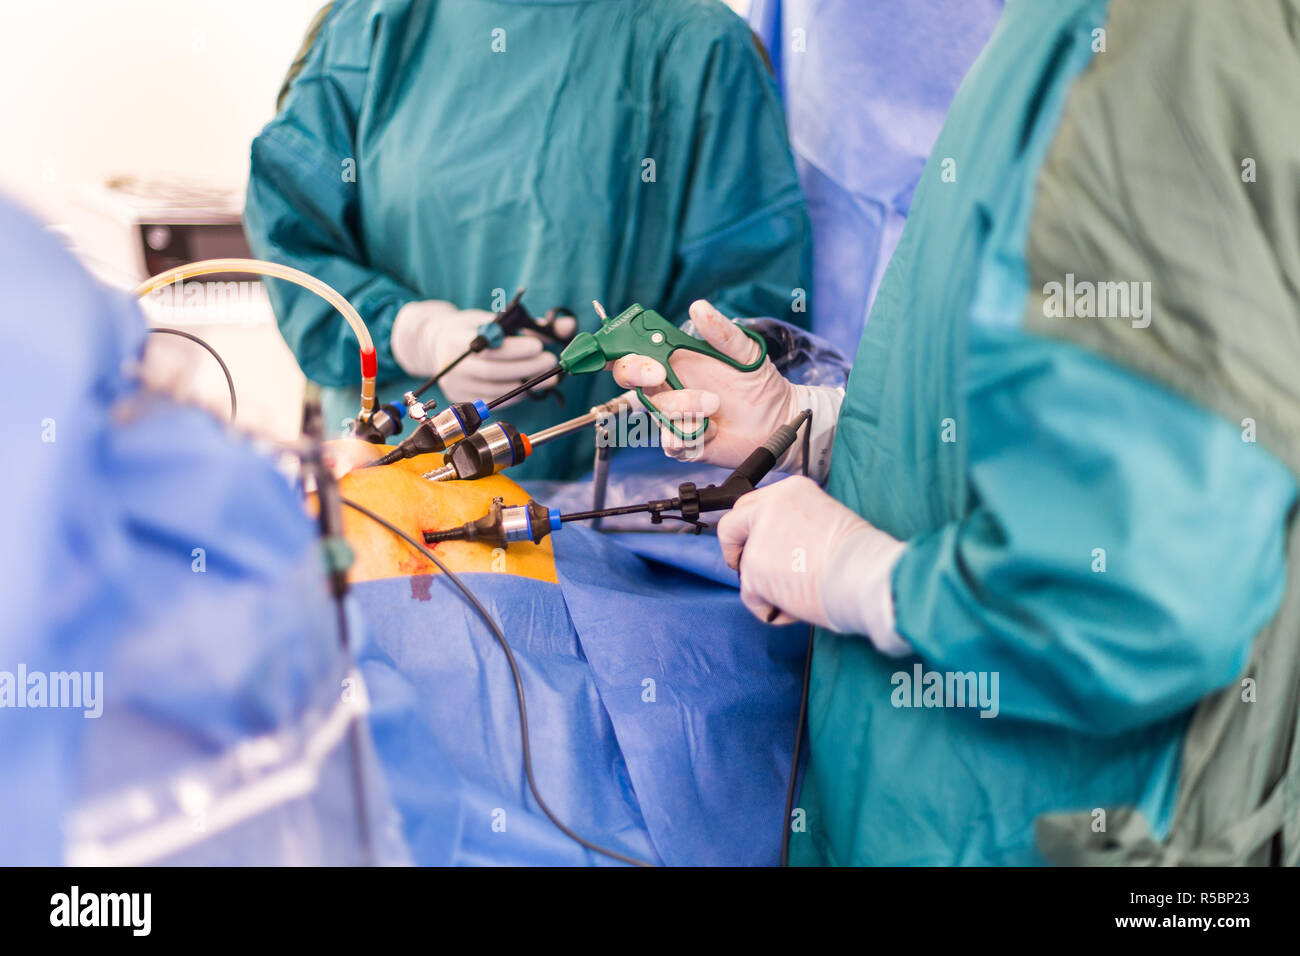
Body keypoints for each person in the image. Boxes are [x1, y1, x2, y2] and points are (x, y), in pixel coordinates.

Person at [614, 0, 1300, 865]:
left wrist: (862, 577)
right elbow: (1056, 411)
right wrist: (813, 428)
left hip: (1041, 819)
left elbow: (1145, 590)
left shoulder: (1165, 38)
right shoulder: (1065, 33)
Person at [245, 0, 812, 479]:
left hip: (614, 535)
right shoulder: (374, 25)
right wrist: (408, 331)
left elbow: (743, 315)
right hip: (382, 495)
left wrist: (665, 385)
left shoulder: (695, 45)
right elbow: (292, 236)